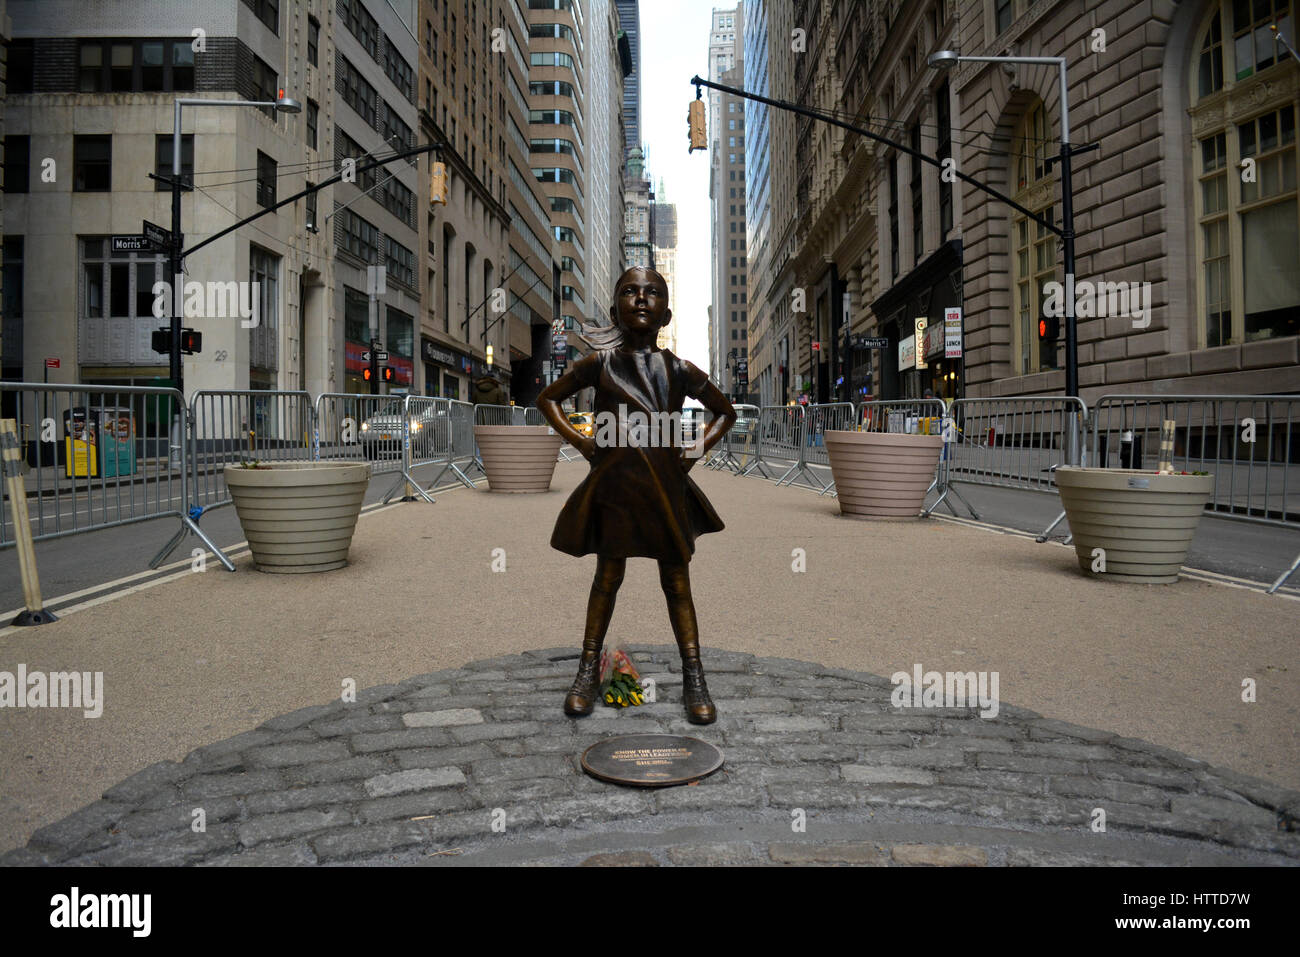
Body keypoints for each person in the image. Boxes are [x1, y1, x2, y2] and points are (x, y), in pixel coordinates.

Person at [537, 266, 737, 724]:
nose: (641, 299)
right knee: (606, 577)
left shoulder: (680, 370)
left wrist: (692, 450)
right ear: (614, 311)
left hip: (665, 489)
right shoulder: (600, 365)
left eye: (652, 294)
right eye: (630, 292)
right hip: (614, 488)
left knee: (677, 582)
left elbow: (724, 412)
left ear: (665, 314)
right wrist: (584, 443)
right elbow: (549, 399)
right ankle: (587, 669)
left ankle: (694, 675)